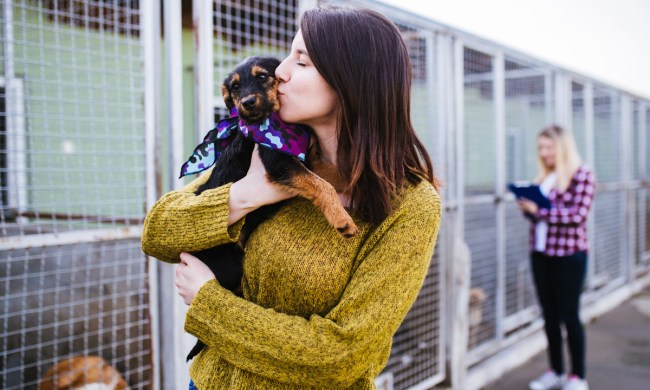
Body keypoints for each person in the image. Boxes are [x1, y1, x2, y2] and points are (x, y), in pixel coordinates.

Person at [141, 5, 442, 389]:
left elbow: (341, 355)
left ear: (352, 80)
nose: (280, 71)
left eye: (301, 61)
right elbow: (156, 232)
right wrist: (247, 194)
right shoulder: (265, 149)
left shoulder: (411, 204)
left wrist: (209, 303)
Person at [517, 125, 595, 390]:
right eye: (540, 147)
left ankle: (578, 376)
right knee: (549, 316)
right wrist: (527, 207)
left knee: (569, 316)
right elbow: (538, 216)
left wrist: (539, 210)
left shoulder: (582, 175)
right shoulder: (545, 177)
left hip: (569, 256)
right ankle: (557, 371)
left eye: (548, 147)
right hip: (541, 254)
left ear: (562, 147)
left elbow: (577, 215)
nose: (544, 152)